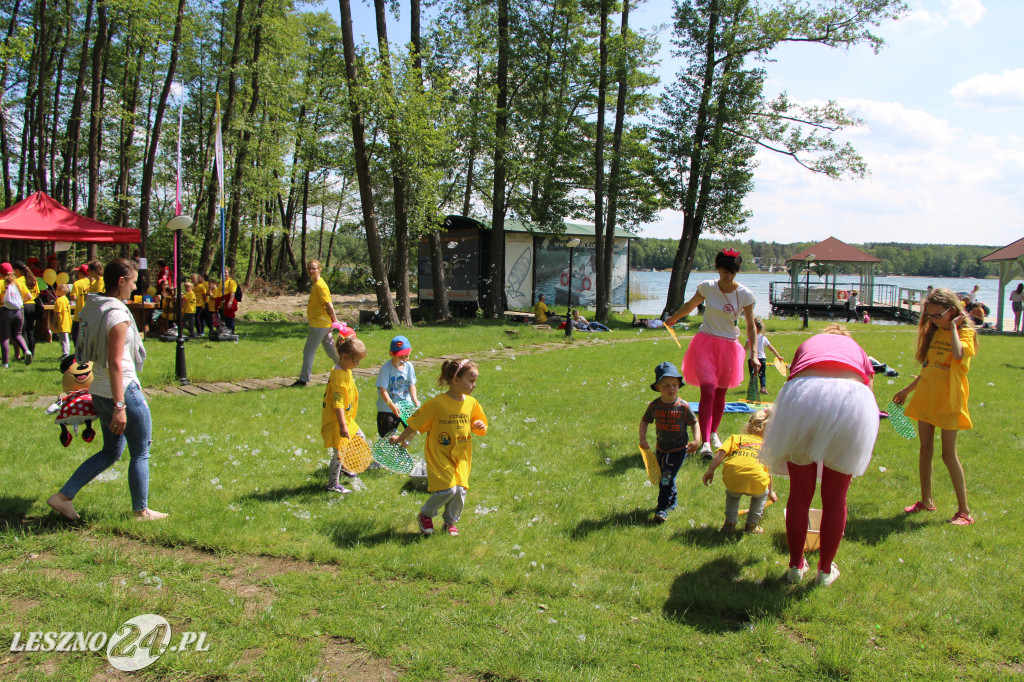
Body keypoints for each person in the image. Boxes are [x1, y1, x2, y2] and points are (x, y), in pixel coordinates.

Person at [46, 259, 167, 521]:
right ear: (121, 281)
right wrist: (121, 406)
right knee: (141, 451)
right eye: (133, 282)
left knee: (111, 451)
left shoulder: (96, 307)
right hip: (121, 390)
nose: (135, 287)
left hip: (99, 390)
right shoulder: (117, 314)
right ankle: (141, 511)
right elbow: (114, 362)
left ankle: (63, 497)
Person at [760, 324, 878, 587]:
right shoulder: (857, 350)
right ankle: (825, 572)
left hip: (805, 394)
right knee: (836, 496)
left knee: (800, 494)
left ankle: (795, 565)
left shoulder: (810, 342)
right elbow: (869, 386)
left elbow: (794, 375)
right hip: (851, 397)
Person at [893, 287, 976, 526]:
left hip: (950, 399)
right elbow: (929, 369)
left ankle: (964, 512)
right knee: (925, 449)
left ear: (953, 312)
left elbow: (959, 356)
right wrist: (906, 391)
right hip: (927, 396)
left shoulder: (965, 332)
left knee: (948, 455)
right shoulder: (933, 332)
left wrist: (952, 328)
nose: (932, 319)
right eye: (929, 315)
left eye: (937, 315)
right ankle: (926, 500)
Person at [665, 248, 758, 458]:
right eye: (725, 272)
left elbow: (751, 326)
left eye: (732, 273)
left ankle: (714, 432)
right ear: (718, 269)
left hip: (729, 347)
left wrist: (753, 354)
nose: (728, 276)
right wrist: (675, 317)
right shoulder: (707, 287)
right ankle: (705, 442)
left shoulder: (745, 294)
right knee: (708, 389)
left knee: (721, 393)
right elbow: (690, 304)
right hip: (706, 343)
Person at [390, 359, 488, 537]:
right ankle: (425, 515)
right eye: (471, 381)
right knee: (447, 489)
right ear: (456, 380)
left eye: (475, 381)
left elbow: (476, 423)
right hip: (439, 453)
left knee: (459, 490)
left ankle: (450, 522)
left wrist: (479, 425)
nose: (474, 385)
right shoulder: (437, 403)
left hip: (462, 455)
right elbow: (415, 424)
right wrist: (400, 439)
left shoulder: (472, 403)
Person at [639, 362, 700, 523]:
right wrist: (643, 439)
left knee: (666, 478)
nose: (671, 388)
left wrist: (697, 440)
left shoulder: (683, 406)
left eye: (674, 385)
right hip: (661, 448)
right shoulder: (655, 406)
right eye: (666, 385)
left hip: (679, 450)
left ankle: (661, 509)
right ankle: (672, 500)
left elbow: (694, 422)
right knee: (665, 477)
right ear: (658, 387)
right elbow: (645, 421)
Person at [702, 407, 777, 534]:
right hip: (756, 480)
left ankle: (729, 523)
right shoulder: (767, 446)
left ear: (748, 426)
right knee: (761, 495)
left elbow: (721, 454)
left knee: (733, 495)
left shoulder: (736, 438)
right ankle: (752, 525)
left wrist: (710, 470)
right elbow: (767, 473)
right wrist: (770, 492)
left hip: (733, 478)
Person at [321, 335, 369, 494]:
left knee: (359, 438)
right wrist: (342, 426)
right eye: (356, 361)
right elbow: (338, 404)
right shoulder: (340, 377)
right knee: (339, 453)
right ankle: (332, 484)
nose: (357, 365)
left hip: (347, 420)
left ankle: (346, 468)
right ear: (345, 356)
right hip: (338, 422)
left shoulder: (344, 368)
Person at [293, 260, 342, 387]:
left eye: (313, 268)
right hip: (321, 324)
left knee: (308, 352)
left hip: (319, 325)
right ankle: (345, 370)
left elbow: (328, 304)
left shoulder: (320, 285)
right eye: (309, 268)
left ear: (319, 269)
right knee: (331, 351)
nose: (310, 271)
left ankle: (303, 380)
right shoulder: (317, 284)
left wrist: (335, 320)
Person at [376, 335, 421, 437]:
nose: (404, 359)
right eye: (401, 357)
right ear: (391, 354)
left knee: (412, 431)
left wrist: (414, 399)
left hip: (406, 405)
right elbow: (383, 390)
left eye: (407, 356)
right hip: (387, 408)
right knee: (387, 437)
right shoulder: (386, 369)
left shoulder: (409, 366)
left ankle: (403, 450)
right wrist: (391, 406)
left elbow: (411, 385)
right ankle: (389, 451)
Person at [1, 262, 33, 368]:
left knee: (5, 337)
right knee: (18, 334)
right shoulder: (18, 282)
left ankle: (5, 363)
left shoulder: (1, 283)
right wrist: (18, 302)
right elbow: (29, 296)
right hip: (19, 311)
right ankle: (26, 351)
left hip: (5, 311)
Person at [744, 318, 784, 395]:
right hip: (762, 359)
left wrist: (740, 355)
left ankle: (753, 389)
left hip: (752, 359)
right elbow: (771, 348)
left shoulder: (750, 337)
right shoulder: (763, 338)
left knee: (753, 375)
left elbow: (746, 348)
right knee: (762, 375)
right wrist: (778, 356)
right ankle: (763, 388)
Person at [13, 261, 40, 356]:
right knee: (30, 330)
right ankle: (32, 353)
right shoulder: (33, 279)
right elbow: (37, 294)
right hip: (32, 306)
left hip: (23, 306)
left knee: (23, 331)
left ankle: (26, 353)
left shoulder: (17, 281)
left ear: (17, 270)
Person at [51, 282, 73, 358]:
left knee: (64, 339)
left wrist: (54, 323)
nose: (55, 291)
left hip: (62, 321)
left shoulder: (59, 300)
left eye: (57, 289)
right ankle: (66, 352)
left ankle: (65, 354)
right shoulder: (66, 299)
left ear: (61, 290)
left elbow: (57, 312)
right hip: (67, 321)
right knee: (65, 338)